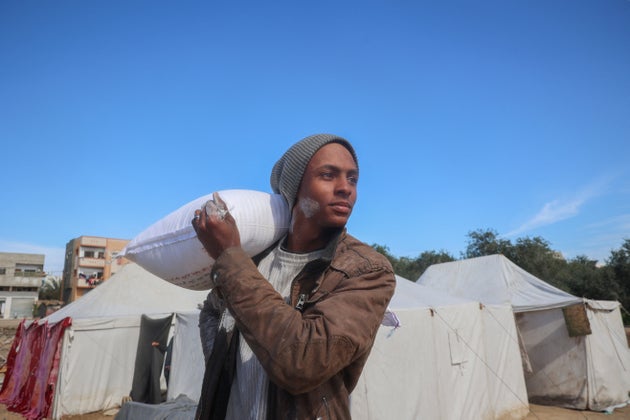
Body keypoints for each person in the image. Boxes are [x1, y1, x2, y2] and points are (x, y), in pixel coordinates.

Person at [191, 133, 396, 420]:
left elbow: (303, 362)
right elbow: (212, 310)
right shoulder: (254, 259)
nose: (345, 188)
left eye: (352, 179)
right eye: (328, 175)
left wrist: (228, 257)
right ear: (295, 186)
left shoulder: (368, 270)